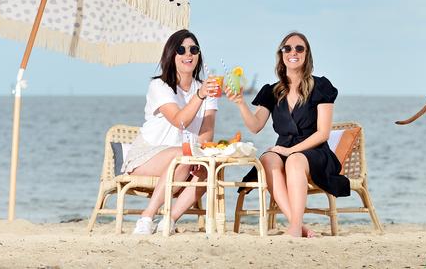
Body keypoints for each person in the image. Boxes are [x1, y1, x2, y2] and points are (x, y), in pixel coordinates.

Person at [225, 31, 350, 238]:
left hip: (315, 151)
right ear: (281, 54)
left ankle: (293, 228)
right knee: (267, 159)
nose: (293, 52)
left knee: (294, 161)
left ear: (307, 54)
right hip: (283, 148)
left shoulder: (321, 87)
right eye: (287, 48)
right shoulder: (272, 91)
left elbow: (323, 133)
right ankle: (297, 225)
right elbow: (255, 126)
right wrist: (240, 103)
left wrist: (290, 150)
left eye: (299, 48)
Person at [122, 29, 218, 235]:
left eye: (194, 49)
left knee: (210, 166)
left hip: (186, 156)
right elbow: (179, 120)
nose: (188, 54)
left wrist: (201, 157)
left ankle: (169, 219)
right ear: (171, 55)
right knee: (183, 155)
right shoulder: (159, 85)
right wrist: (200, 95)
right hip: (147, 156)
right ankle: (147, 217)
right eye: (181, 50)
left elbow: (207, 130)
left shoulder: (206, 88)